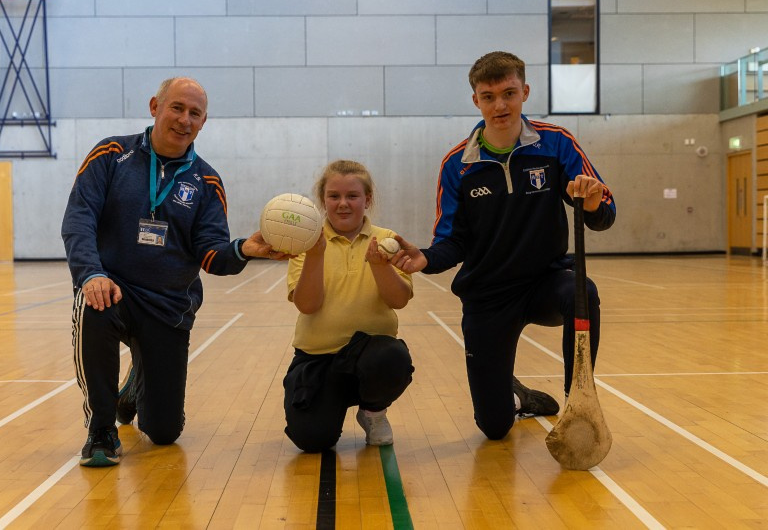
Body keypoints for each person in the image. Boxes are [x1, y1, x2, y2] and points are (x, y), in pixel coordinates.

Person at [62, 77, 287, 467]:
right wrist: (91, 274)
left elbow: (211, 256)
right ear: (155, 106)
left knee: (164, 432)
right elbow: (79, 220)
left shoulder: (207, 182)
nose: (184, 119)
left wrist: (244, 250)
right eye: (177, 108)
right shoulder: (111, 154)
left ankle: (134, 387)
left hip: (168, 305)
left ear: (203, 123)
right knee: (92, 304)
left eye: (195, 114)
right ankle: (100, 428)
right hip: (112, 288)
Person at [392, 51, 616, 441]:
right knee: (494, 428)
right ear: (476, 100)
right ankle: (516, 394)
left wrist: (593, 203)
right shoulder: (457, 165)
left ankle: (577, 398)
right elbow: (453, 241)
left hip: (544, 281)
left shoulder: (556, 144)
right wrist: (425, 258)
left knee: (582, 292)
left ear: (525, 92)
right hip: (488, 296)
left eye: (509, 93)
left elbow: (603, 211)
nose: (500, 105)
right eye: (489, 96)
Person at [283, 160, 415, 452]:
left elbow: (399, 300)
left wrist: (380, 266)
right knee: (312, 440)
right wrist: (315, 255)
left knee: (393, 358)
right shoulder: (305, 242)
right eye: (334, 196)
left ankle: (373, 412)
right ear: (323, 201)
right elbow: (307, 305)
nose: (343, 204)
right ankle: (330, 407)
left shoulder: (388, 240)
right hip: (316, 359)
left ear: (367, 200)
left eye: (352, 196)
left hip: (369, 356)